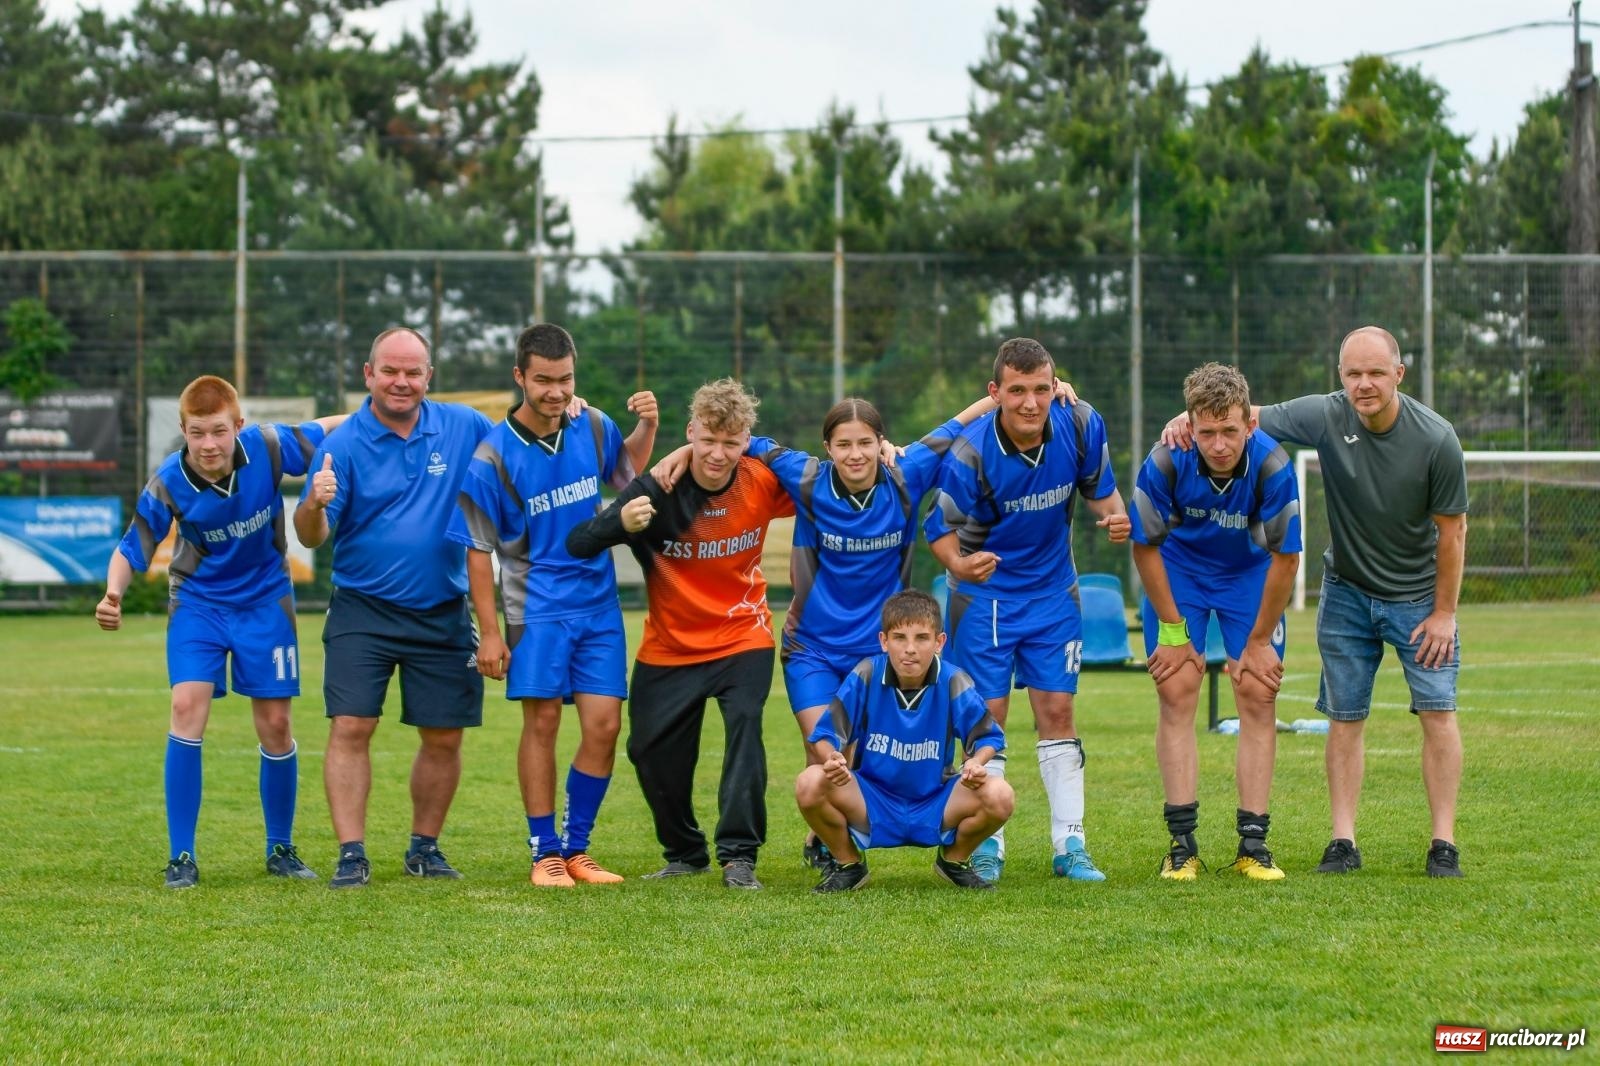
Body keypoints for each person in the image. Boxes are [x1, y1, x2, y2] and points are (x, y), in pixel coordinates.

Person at [649, 391, 1042, 871]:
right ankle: (830, 845)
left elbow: (954, 426)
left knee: (851, 754)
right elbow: (741, 441)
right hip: (811, 648)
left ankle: (829, 841)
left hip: (876, 652)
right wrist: (684, 450)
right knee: (825, 746)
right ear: (827, 448)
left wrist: (1012, 396)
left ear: (881, 443)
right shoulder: (805, 476)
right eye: (843, 444)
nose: (855, 454)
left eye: (865, 443)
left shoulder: (906, 475)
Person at [1162, 325, 1468, 877]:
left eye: (1376, 373)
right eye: (1353, 373)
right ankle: (1342, 841)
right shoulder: (1326, 414)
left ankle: (1443, 843)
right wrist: (1184, 419)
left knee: (1438, 713)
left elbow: (1453, 531)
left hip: (1419, 598)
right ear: (1340, 376)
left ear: (1399, 374)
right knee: (1344, 718)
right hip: (1346, 592)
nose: (1364, 384)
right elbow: (1241, 414)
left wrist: (1444, 613)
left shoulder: (1437, 439)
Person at [96, 374, 345, 888]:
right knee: (186, 707)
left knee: (276, 723)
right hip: (199, 604)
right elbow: (132, 545)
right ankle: (181, 857)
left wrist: (387, 413)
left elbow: (331, 426)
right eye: (196, 433)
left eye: (218, 431)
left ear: (238, 426)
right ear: (183, 431)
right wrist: (113, 593)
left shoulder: (268, 447)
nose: (208, 444)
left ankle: (280, 847)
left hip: (266, 602)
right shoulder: (169, 481)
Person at [446, 323, 658, 888]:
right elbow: (476, 553)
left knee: (604, 725)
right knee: (541, 723)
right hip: (534, 609)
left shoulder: (593, 424)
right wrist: (490, 633)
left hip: (598, 605)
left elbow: (626, 474)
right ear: (520, 376)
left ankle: (577, 848)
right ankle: (545, 852)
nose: (557, 391)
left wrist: (647, 427)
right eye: (544, 380)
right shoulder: (491, 457)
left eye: (565, 379)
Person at [565, 378, 794, 890]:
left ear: (745, 441)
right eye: (707, 440)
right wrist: (620, 524)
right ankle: (685, 853)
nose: (717, 454)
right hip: (670, 645)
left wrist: (882, 454)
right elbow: (578, 543)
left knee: (745, 730)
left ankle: (739, 856)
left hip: (743, 636)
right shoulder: (656, 488)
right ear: (690, 432)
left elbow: (825, 483)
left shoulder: (760, 479)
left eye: (730, 443)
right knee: (647, 750)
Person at [924, 337, 1130, 883]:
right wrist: (960, 566)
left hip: (1054, 594)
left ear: (1055, 386)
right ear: (995, 392)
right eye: (1017, 391)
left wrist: (1115, 517)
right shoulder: (971, 451)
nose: (1031, 403)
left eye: (1041, 389)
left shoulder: (1080, 424)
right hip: (985, 600)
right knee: (986, 719)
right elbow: (938, 529)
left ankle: (1071, 845)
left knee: (1058, 713)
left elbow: (1101, 493)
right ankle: (986, 843)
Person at [294, 326, 493, 889]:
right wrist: (313, 505)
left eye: (412, 372)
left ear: (429, 376)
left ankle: (424, 849)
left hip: (444, 609)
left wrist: (568, 407)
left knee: (444, 735)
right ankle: (351, 854)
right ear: (368, 374)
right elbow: (310, 536)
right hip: (364, 610)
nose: (401, 382)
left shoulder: (465, 426)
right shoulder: (342, 446)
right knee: (352, 725)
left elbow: (523, 445)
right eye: (390, 371)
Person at [1130, 362, 1301, 882]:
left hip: (1249, 575)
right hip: (1179, 571)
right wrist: (1173, 632)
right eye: (1207, 432)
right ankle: (1182, 846)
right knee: (1177, 688)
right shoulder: (1165, 459)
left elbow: (1286, 559)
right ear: (1190, 424)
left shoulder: (1273, 465)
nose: (1219, 444)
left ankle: (1254, 844)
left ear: (1250, 423)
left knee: (1258, 692)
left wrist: (1258, 641)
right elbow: (1145, 547)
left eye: (1230, 430)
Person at [796, 589, 1013, 893]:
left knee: (1000, 794)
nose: (910, 649)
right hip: (872, 800)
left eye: (922, 638)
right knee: (810, 782)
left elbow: (988, 736)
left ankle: (953, 860)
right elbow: (824, 735)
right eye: (899, 638)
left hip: (935, 801)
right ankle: (849, 864)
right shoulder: (867, 674)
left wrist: (976, 763)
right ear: (884, 641)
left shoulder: (954, 680)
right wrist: (832, 757)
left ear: (939, 642)